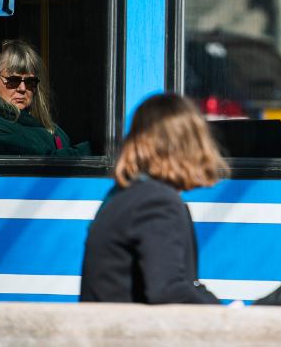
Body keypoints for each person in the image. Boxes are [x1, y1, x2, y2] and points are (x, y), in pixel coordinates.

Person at [80, 94, 227, 304]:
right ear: (187, 146)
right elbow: (169, 291)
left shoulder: (123, 195)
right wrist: (224, 317)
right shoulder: (157, 202)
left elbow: (181, 285)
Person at [0, 39, 89, 156]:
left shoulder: (47, 127)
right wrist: (90, 149)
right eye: (13, 80)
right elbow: (41, 165)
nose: (22, 88)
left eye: (30, 81)